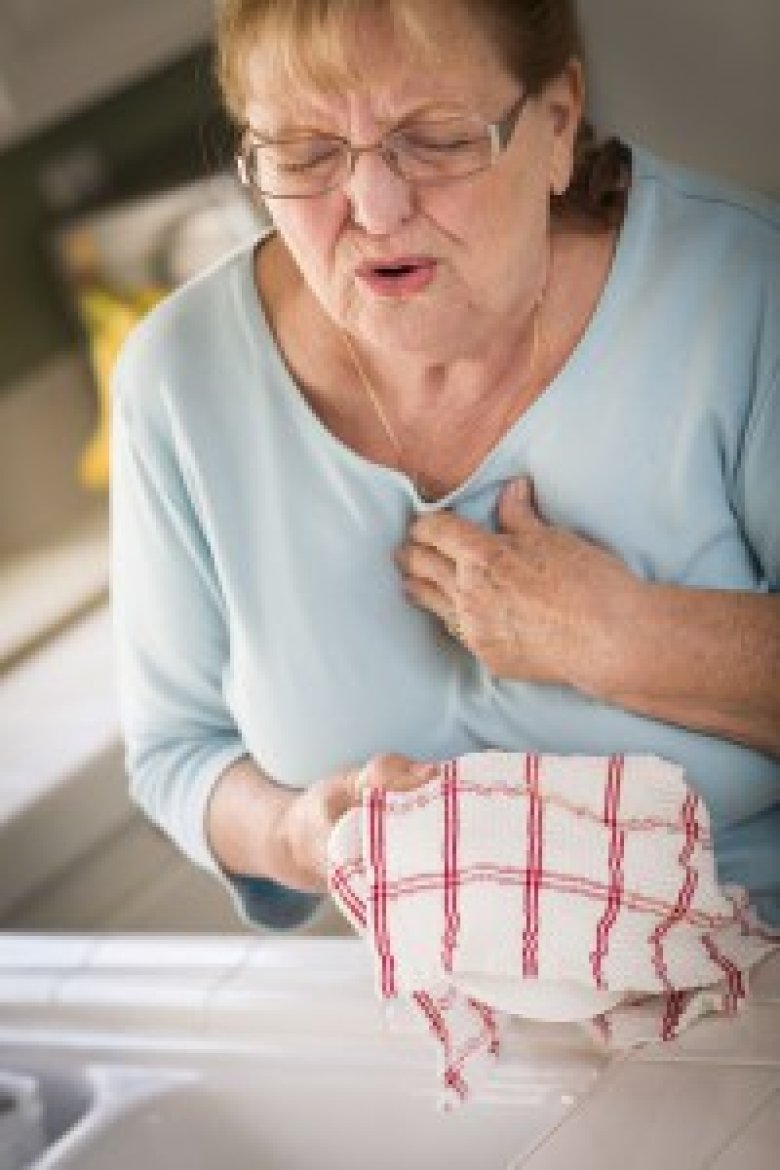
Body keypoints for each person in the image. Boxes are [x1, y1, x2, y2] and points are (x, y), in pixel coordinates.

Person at [111, 0, 780, 931]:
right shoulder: (179, 379)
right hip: (433, 1028)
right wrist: (297, 834)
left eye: (433, 141)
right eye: (305, 155)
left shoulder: (744, 294)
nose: (375, 209)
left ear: (554, 125)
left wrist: (626, 639)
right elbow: (177, 754)